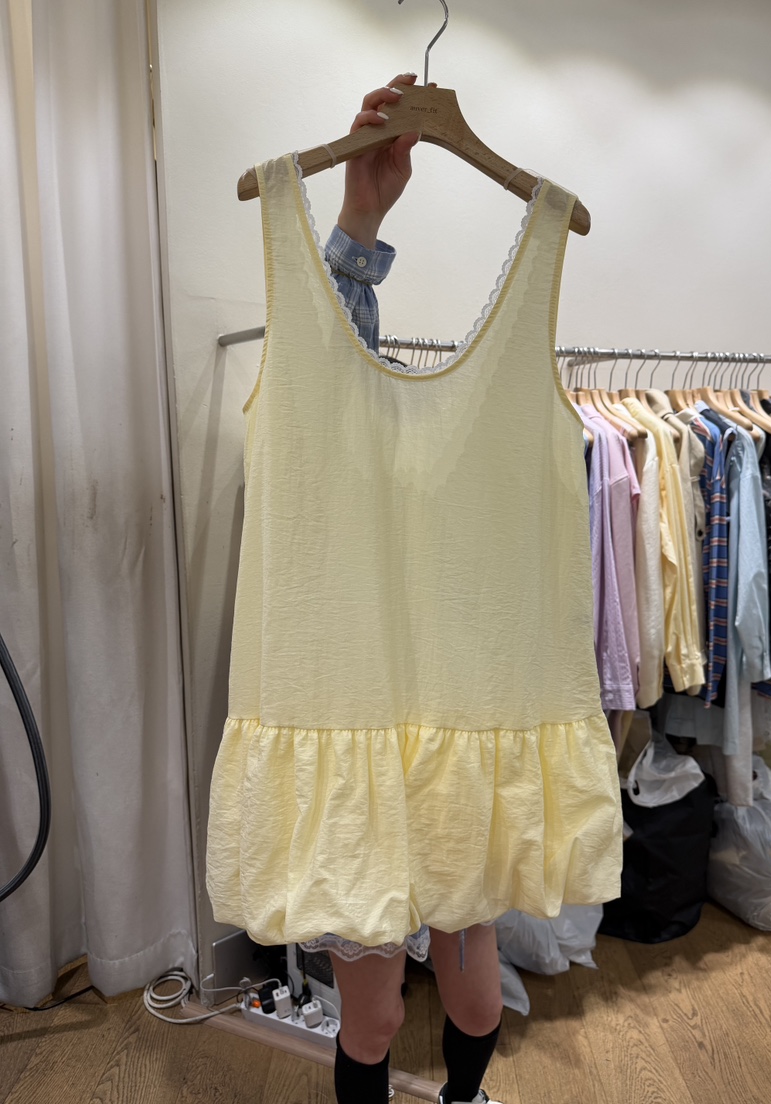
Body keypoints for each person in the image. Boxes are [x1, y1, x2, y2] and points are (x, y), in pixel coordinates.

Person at [312, 72, 505, 1104]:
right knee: (376, 1016)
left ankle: (466, 1096)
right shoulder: (343, 456)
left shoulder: (495, 451)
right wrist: (358, 216)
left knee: (477, 1001)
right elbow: (327, 363)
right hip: (356, 741)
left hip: (459, 745)